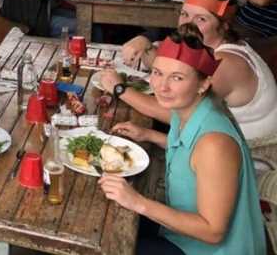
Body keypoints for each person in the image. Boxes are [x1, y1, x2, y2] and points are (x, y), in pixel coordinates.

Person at [99, 27, 266, 255]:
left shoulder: (215, 144)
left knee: (107, 242)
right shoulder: (189, 110)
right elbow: (194, 157)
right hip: (181, 234)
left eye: (177, 77)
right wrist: (149, 135)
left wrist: (138, 202)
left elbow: (213, 231)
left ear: (203, 84)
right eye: (157, 73)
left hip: (207, 249)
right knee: (106, 219)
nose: (162, 86)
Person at [104, 0, 277, 141]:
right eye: (185, 14)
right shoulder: (209, 48)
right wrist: (146, 45)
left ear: (224, 26)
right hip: (213, 144)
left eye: (201, 19)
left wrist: (120, 89)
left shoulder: (225, 62)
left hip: (249, 163)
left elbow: (178, 114)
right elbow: (170, 68)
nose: (188, 24)